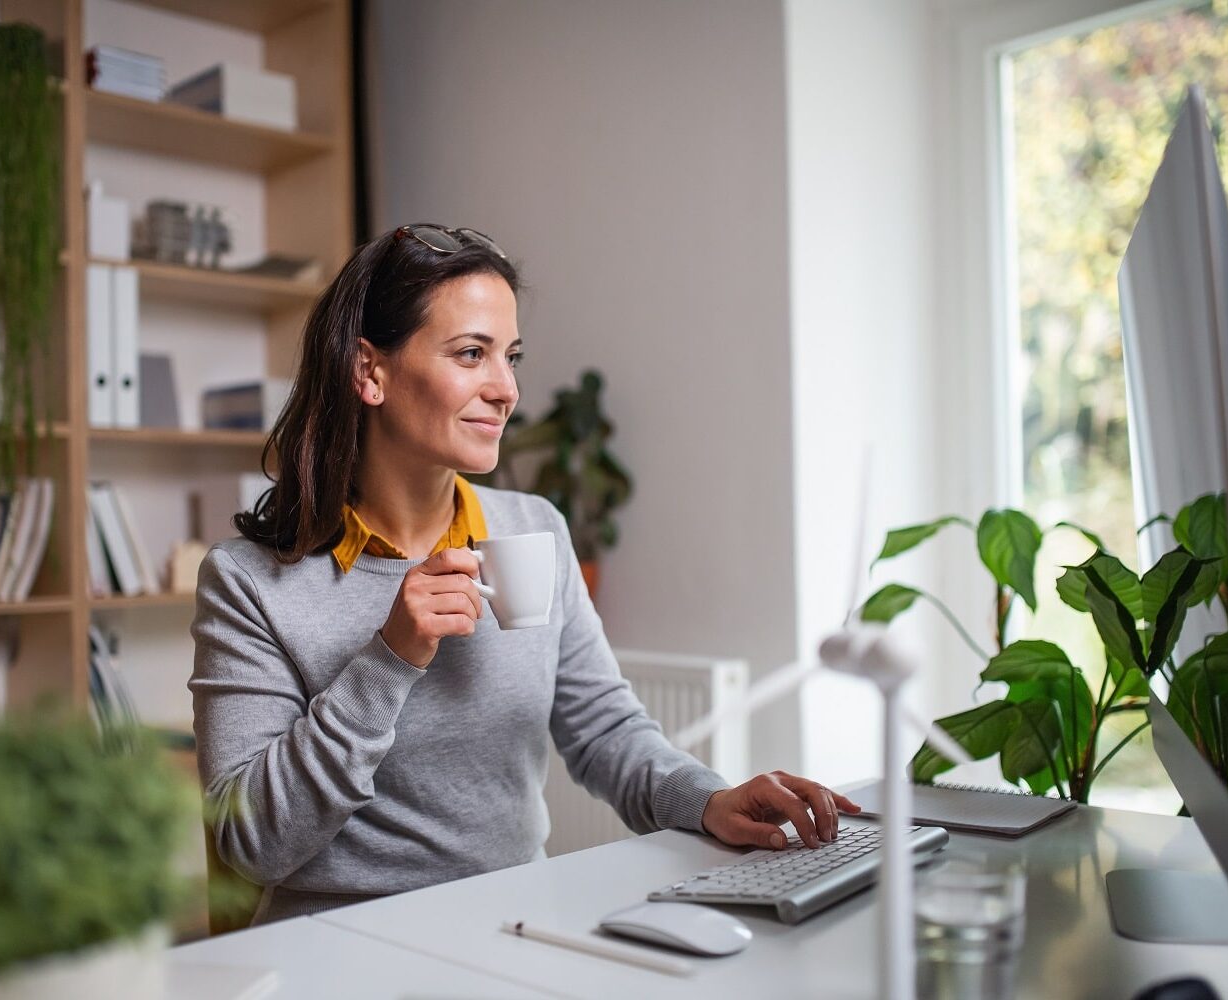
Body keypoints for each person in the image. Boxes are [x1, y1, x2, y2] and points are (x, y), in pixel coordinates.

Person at [190, 223, 860, 924]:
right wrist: (387, 660)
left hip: (515, 925)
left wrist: (709, 801)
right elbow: (251, 843)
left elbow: (604, 732)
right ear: (369, 372)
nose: (505, 389)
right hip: (341, 944)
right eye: (471, 354)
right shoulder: (248, 583)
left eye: (510, 356)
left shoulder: (531, 529)